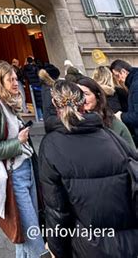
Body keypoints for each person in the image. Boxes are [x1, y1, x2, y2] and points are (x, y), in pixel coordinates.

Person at [39, 80, 138, 258]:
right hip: (129, 242)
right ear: (82, 102)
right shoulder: (110, 135)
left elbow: (57, 211)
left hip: (88, 244)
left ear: (54, 103)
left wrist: (56, 249)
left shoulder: (50, 144)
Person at [0, 61, 46, 258]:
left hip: (27, 171)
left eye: (16, 78)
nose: (16, 83)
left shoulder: (9, 103)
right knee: (33, 235)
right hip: (13, 176)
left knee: (23, 232)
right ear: (0, 81)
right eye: (11, 79)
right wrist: (18, 141)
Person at [77, 76, 134, 147]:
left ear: (97, 96)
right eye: (78, 95)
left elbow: (130, 152)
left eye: (86, 94)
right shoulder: (74, 123)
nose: (83, 99)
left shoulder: (113, 123)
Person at [110, 59, 138, 145]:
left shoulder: (135, 85)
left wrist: (121, 116)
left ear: (123, 71)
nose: (118, 80)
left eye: (117, 76)